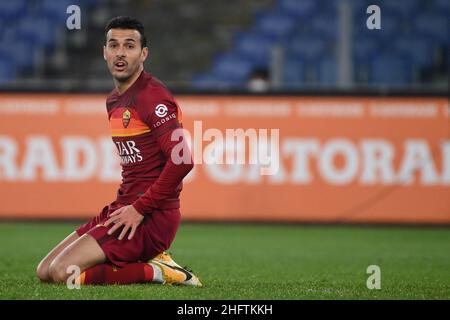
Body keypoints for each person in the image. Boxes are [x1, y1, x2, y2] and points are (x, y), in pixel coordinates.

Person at [36, 16, 201, 287]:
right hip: (122, 207)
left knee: (63, 273)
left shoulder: (152, 97)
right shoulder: (113, 100)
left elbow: (183, 160)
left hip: (150, 216)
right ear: (104, 52)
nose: (120, 53)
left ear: (143, 53)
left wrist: (139, 208)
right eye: (113, 45)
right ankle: (141, 261)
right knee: (45, 270)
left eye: (129, 45)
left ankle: (159, 271)